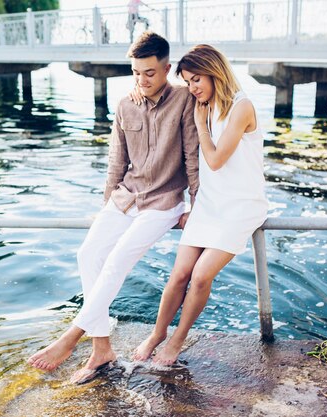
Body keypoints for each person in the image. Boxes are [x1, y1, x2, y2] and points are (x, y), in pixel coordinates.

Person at [28, 32, 199, 383]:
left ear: (167, 68)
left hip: (163, 202)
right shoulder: (125, 104)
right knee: (88, 254)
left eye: (150, 72)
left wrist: (195, 206)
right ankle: (101, 348)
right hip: (126, 197)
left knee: (118, 260)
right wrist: (108, 208)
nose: (142, 79)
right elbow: (116, 161)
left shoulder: (184, 101)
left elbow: (193, 159)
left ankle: (70, 337)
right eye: (136, 72)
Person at [133, 44, 269, 365]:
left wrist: (199, 123)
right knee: (179, 274)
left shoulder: (241, 106)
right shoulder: (203, 103)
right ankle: (158, 333)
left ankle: (178, 340)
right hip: (209, 203)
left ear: (214, 72)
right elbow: (155, 91)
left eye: (197, 80)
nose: (193, 88)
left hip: (240, 206)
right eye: (188, 82)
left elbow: (216, 159)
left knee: (200, 276)